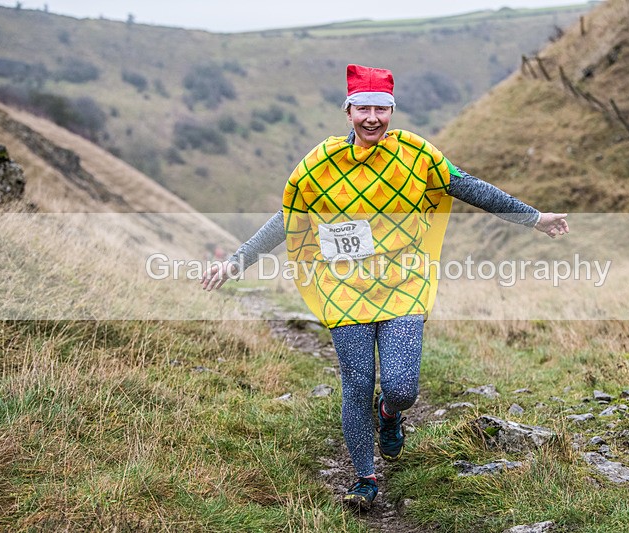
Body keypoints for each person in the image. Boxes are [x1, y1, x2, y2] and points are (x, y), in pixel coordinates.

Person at [201, 64, 568, 511]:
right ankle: (364, 477)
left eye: (380, 109)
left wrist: (533, 218)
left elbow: (468, 187)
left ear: (391, 111)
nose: (372, 118)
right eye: (363, 109)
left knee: (401, 387)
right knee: (356, 385)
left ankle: (389, 413)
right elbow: (287, 219)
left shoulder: (416, 154)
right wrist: (236, 262)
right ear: (348, 112)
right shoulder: (319, 164)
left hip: (403, 285)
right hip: (343, 291)